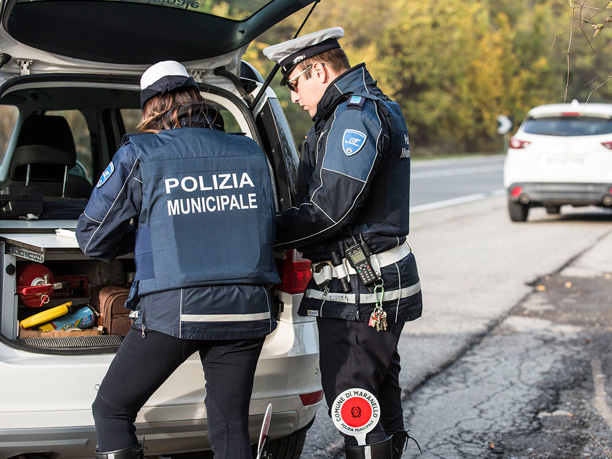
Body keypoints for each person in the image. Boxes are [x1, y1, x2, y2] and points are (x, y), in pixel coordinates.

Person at [76, 60, 280, 459]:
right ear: (196, 97)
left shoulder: (141, 152)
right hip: (247, 311)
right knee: (230, 425)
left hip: (175, 311)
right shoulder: (248, 150)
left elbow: (93, 238)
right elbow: (264, 222)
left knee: (112, 409)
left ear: (150, 106)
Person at [263, 28, 423, 459]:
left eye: (294, 84)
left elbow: (329, 210)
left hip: (360, 288)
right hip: (371, 281)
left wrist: (264, 231)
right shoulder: (365, 107)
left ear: (317, 69)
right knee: (377, 400)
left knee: (353, 406)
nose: (294, 97)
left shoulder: (354, 115)